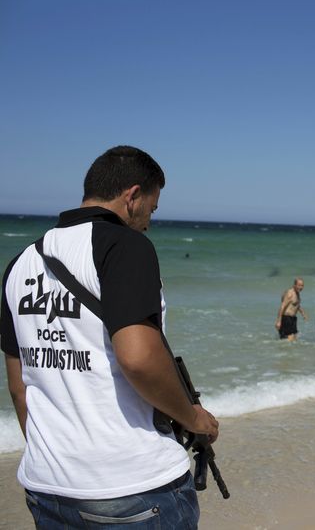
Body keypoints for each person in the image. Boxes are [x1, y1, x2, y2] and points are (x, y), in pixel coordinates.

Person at [1, 146, 219, 528]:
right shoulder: (125, 247)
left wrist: (56, 460)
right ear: (132, 196)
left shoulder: (20, 263)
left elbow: (20, 386)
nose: (149, 221)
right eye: (151, 208)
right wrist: (194, 418)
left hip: (48, 485)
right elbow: (137, 358)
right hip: (131, 486)